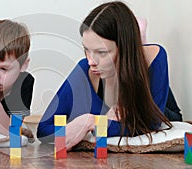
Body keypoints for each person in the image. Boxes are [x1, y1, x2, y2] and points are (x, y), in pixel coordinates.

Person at [37, 1, 177, 150]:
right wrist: (86, 121)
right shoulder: (85, 68)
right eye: (87, 50)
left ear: (124, 48)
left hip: (163, 110)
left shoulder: (155, 58)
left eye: (101, 52)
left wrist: (93, 122)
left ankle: (138, 39)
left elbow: (151, 124)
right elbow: (43, 128)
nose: (91, 61)